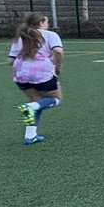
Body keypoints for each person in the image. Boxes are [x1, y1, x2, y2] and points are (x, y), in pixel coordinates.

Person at [9, 12, 63, 145]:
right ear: (40, 23)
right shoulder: (50, 35)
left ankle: (30, 135)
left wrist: (21, 68)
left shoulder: (21, 37)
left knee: (36, 102)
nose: (48, 24)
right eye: (46, 22)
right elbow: (58, 51)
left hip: (20, 72)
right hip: (41, 72)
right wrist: (57, 67)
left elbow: (11, 59)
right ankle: (30, 108)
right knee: (55, 99)